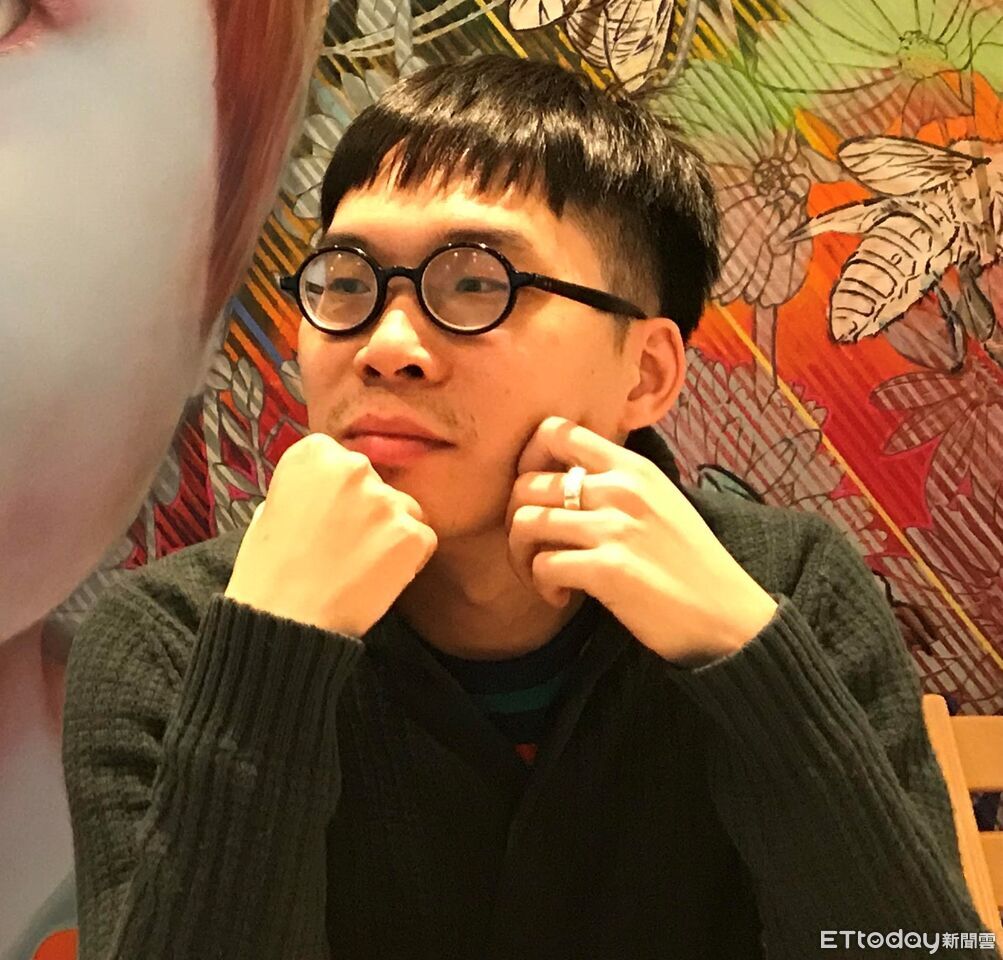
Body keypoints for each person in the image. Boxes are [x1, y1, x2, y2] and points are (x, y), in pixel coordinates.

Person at [61, 55, 995, 959]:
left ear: (646, 373)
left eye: (475, 283)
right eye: (345, 284)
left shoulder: (787, 588)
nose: (385, 346)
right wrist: (271, 654)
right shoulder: (171, 638)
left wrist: (743, 658)